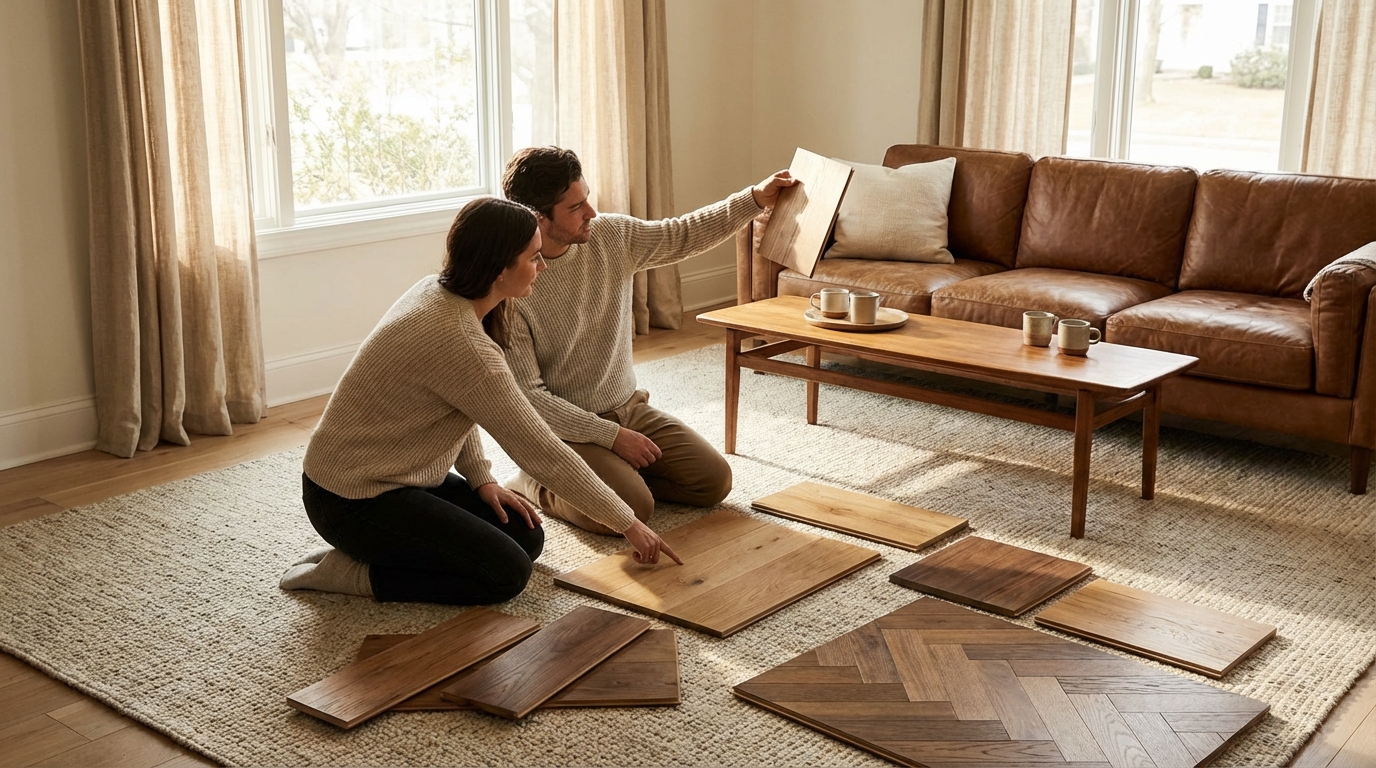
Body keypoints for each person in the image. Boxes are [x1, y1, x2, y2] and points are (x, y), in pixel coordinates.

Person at [279, 197, 681, 605]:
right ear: (498, 268)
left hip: (404, 475)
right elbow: (543, 452)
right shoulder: (458, 341)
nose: (543, 266)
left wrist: (482, 479)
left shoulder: (447, 295)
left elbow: (459, 405)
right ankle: (355, 572)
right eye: (533, 257)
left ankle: (390, 552)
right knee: (505, 575)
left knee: (527, 537)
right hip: (350, 498)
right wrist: (627, 523)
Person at [500, 147, 795, 535]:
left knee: (713, 482)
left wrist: (754, 199)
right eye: (576, 207)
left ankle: (614, 481)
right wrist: (610, 437)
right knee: (632, 509)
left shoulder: (612, 235)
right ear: (538, 218)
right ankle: (533, 481)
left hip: (628, 409)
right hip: (564, 431)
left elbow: (682, 234)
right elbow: (530, 399)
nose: (591, 212)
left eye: (587, 198)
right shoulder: (512, 286)